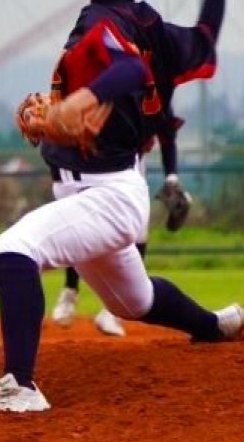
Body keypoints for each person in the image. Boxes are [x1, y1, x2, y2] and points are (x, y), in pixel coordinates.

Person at [0, 0, 244, 413]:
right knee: (134, 302)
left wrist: (76, 105)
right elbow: (202, 42)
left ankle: (19, 387)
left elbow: (128, 70)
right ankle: (214, 326)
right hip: (100, 191)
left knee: (13, 249)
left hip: (106, 194)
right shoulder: (144, 20)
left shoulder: (105, 22)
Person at [52, 133, 190, 338]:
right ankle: (70, 291)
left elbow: (166, 130)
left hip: (132, 164)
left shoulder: (154, 101)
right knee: (80, 227)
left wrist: (171, 177)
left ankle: (111, 314)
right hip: (93, 162)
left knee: (138, 233)